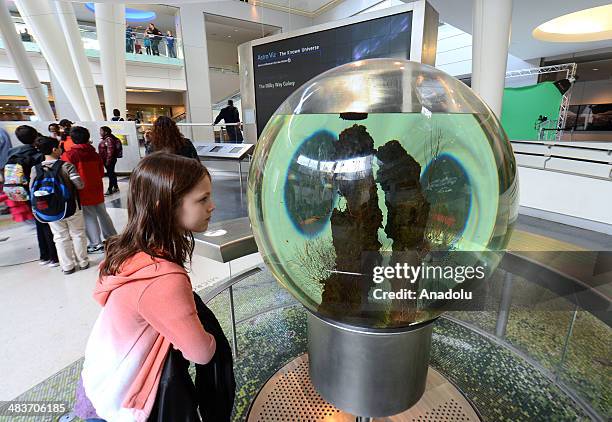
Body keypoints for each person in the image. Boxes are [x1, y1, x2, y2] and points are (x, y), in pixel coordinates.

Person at [79, 153, 217, 421]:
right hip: (128, 399)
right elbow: (200, 353)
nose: (212, 206)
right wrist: (213, 339)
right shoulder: (163, 278)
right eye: (202, 199)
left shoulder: (127, 251)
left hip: (100, 380)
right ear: (163, 205)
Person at [2, 126, 59, 266]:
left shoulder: (13, 153)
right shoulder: (37, 154)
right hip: (40, 192)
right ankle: (54, 256)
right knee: (47, 222)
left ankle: (44, 255)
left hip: (23, 192)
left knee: (39, 221)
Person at [30, 137, 87, 274]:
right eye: (59, 147)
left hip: (50, 209)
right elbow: (80, 185)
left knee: (60, 237)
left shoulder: (35, 169)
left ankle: (67, 266)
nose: (61, 149)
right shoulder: (66, 166)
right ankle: (83, 261)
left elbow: (32, 188)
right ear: (54, 149)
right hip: (71, 207)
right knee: (78, 233)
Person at [66, 127, 117, 254]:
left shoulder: (70, 155)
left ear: (72, 139)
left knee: (89, 216)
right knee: (102, 212)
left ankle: (96, 243)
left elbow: (67, 174)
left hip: (82, 190)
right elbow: (101, 172)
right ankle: (112, 237)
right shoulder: (94, 153)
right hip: (97, 187)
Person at [98, 126, 121, 195]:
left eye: (101, 131)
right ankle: (116, 187)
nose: (100, 133)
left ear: (106, 132)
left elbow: (110, 151)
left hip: (109, 160)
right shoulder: (109, 138)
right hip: (109, 159)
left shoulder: (108, 139)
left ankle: (110, 189)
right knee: (112, 173)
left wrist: (108, 161)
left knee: (110, 174)